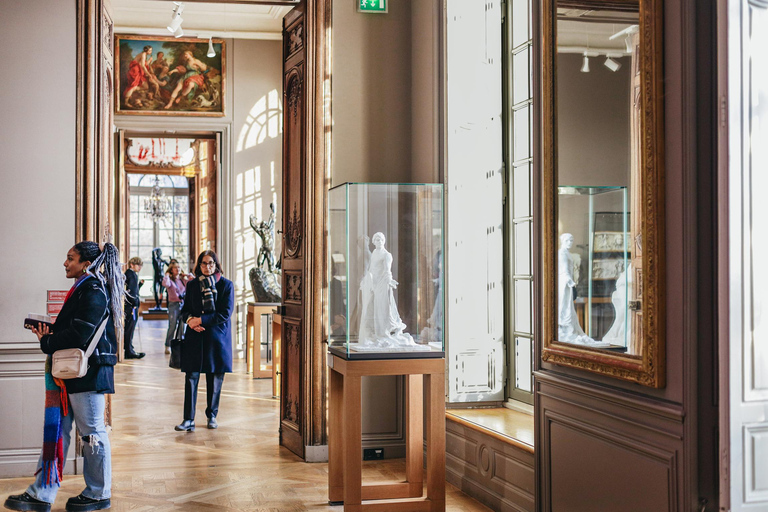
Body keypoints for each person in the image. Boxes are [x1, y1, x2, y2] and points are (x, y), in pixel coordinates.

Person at [4, 241, 124, 512]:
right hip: (77, 372)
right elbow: (76, 329)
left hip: (89, 372)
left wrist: (48, 342)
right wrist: (48, 333)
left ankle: (98, 493)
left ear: (86, 263)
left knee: (92, 433)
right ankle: (41, 494)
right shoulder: (84, 288)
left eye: (71, 258)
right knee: (59, 433)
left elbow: (80, 335)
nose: (65, 263)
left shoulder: (93, 290)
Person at [175, 250, 234, 432]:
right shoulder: (192, 285)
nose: (207, 267)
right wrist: (190, 321)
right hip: (195, 336)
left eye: (211, 263)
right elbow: (184, 310)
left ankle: (212, 415)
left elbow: (225, 313)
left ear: (216, 265)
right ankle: (188, 419)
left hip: (217, 338)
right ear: (199, 265)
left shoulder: (226, 285)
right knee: (191, 377)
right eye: (203, 263)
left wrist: (200, 320)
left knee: (214, 379)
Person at [161, 261, 191, 355]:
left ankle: (180, 344)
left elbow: (193, 281)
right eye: (175, 268)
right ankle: (168, 345)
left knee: (182, 326)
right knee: (173, 325)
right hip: (173, 305)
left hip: (183, 304)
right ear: (171, 270)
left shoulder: (182, 280)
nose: (177, 269)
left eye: (178, 267)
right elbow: (165, 284)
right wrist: (166, 275)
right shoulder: (170, 280)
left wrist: (188, 275)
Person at [123, 257, 145, 359]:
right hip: (131, 306)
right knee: (129, 329)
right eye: (138, 265)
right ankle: (129, 351)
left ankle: (129, 349)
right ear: (132, 264)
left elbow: (133, 290)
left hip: (131, 305)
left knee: (130, 328)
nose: (140, 267)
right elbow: (131, 293)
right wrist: (135, 303)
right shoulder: (131, 274)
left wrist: (139, 285)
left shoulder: (130, 274)